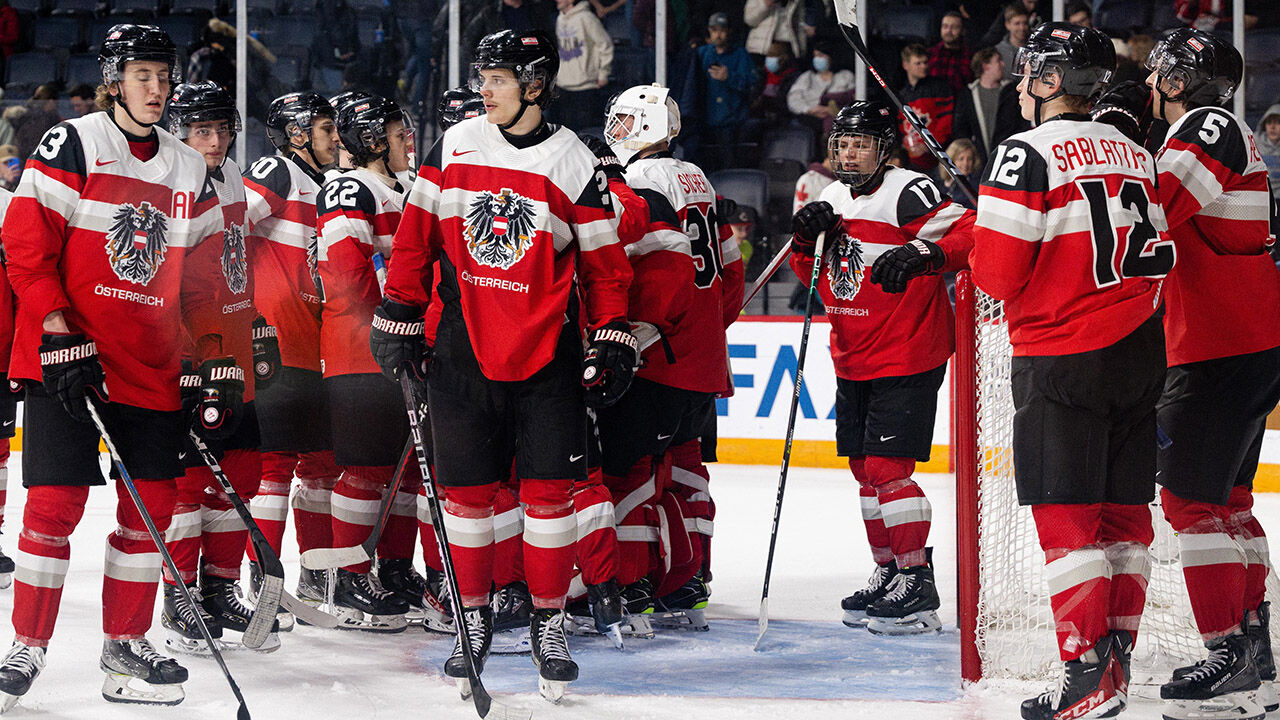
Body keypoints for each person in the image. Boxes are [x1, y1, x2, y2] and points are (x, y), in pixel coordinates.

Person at [369, 29, 635, 703]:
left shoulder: (573, 160)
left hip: (548, 354)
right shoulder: (456, 143)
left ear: (535, 86)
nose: (484, 88)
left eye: (498, 78)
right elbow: (414, 239)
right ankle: (474, 618)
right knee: (465, 501)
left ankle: (548, 623)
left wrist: (610, 337)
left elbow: (605, 267)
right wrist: (399, 310)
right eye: (482, 77)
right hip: (462, 349)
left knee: (548, 501)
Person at [0, 23, 228, 709]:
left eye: (163, 76)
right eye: (142, 76)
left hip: (153, 365)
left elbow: (204, 281)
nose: (156, 89)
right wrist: (56, 327)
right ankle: (27, 647)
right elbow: (26, 244)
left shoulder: (190, 167)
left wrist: (206, 361)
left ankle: (123, 648)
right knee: (54, 506)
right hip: (69, 359)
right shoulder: (74, 142)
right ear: (114, 80)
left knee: (150, 509)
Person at [970, 23, 1170, 719]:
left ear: (1052, 80)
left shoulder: (1024, 154)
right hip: (1141, 353)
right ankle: (1116, 665)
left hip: (1063, 356)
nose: (1021, 84)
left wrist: (983, 222)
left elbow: (995, 273)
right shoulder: (1135, 151)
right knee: (1124, 519)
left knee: (1066, 519)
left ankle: (1084, 676)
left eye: (1030, 72)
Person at [788, 101, 972, 638]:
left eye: (860, 143)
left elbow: (971, 232)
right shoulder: (829, 196)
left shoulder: (908, 190)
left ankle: (917, 579)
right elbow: (814, 276)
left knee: (889, 470)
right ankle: (890, 569)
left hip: (907, 351)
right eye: (842, 144)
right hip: (852, 353)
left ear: (883, 149)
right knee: (864, 472)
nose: (849, 153)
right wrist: (804, 240)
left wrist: (924, 252)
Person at [1145, 28, 1280, 720]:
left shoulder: (1207, 125)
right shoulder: (1222, 126)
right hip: (1244, 342)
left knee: (1191, 505)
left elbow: (1154, 214)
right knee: (1227, 502)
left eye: (1159, 70)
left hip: (1217, 348)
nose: (1150, 80)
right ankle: (1253, 650)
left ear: (1180, 80)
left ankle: (1227, 653)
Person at [587, 82, 743, 628]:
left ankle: (634, 584)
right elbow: (731, 269)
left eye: (627, 123)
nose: (617, 132)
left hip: (657, 355)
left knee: (630, 474)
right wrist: (707, 331)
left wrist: (639, 333)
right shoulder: (696, 177)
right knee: (686, 472)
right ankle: (689, 579)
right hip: (702, 358)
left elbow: (662, 271)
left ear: (650, 128)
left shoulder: (642, 181)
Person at [158, 81, 281, 657]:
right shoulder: (169, 183)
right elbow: (163, 286)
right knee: (187, 486)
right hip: (189, 359)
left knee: (242, 470)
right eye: (201, 131)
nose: (214, 141)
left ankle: (220, 586)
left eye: (221, 129)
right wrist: (190, 361)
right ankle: (180, 595)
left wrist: (254, 322)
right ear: (178, 133)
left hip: (233, 354)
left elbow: (231, 266)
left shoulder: (230, 175)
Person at [319, 94, 429, 632]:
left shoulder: (405, 189)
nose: (408, 139)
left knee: (403, 472)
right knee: (364, 472)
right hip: (359, 348)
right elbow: (346, 272)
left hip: (403, 346)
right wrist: (392, 324)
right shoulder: (349, 187)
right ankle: (348, 578)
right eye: (396, 131)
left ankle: (394, 567)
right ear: (370, 140)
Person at [242, 91, 343, 625]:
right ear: (300, 133)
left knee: (323, 464)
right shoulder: (276, 170)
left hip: (319, 344)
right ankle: (265, 577)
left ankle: (316, 574)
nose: (336, 136)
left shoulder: (332, 186)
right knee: (275, 465)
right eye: (326, 127)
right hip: (274, 342)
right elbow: (227, 225)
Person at [696, 13, 756, 172]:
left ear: (729, 31)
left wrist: (729, 77)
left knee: (729, 168)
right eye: (714, 30)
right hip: (705, 121)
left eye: (722, 30)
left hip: (733, 123)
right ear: (709, 30)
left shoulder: (741, 55)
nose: (718, 34)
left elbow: (752, 86)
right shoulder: (702, 53)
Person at [952, 47, 1025, 163]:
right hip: (978, 163)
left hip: (1009, 158)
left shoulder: (1012, 92)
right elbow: (961, 129)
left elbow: (1021, 124)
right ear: (986, 66)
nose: (1003, 64)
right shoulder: (968, 94)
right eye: (998, 61)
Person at [553, 0, 614, 131]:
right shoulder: (560, 18)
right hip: (564, 84)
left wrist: (603, 73)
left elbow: (605, 44)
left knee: (584, 132)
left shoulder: (587, 18)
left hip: (585, 85)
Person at [898, 44, 955, 173]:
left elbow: (946, 123)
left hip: (938, 160)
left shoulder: (940, 87)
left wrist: (929, 145)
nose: (924, 66)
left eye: (925, 62)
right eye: (918, 63)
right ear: (906, 65)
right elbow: (901, 127)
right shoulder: (901, 95)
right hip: (911, 162)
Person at [786, 40, 855, 131]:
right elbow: (793, 100)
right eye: (815, 56)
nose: (817, 59)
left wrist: (831, 110)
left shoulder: (846, 76)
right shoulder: (807, 76)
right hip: (809, 121)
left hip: (837, 121)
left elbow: (853, 99)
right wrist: (809, 110)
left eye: (821, 56)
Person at [928, 11, 973, 92]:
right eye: (945, 26)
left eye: (954, 27)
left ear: (963, 31)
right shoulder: (929, 54)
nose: (948, 31)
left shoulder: (971, 56)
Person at [994, 3, 1030, 83]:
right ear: (1007, 25)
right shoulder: (998, 51)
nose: (1022, 28)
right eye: (1017, 24)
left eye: (1025, 23)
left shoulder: (1035, 50)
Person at [941, 137, 981, 206]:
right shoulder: (939, 182)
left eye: (969, 159)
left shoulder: (976, 186)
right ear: (951, 159)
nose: (965, 163)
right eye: (961, 159)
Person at [1256, 104, 1280, 201]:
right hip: (1262, 197)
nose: (1272, 127)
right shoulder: (1254, 142)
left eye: (1278, 122)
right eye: (1269, 123)